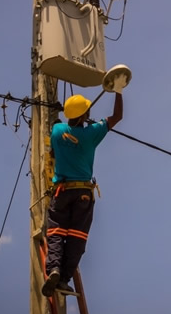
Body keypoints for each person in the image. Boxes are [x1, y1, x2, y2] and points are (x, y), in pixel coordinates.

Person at [42, 88, 124, 297]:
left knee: (56, 233)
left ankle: (54, 269)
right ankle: (64, 279)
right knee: (77, 237)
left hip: (62, 192)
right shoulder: (91, 134)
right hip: (83, 194)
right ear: (85, 115)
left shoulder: (57, 131)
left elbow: (59, 124)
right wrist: (118, 91)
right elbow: (117, 117)